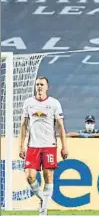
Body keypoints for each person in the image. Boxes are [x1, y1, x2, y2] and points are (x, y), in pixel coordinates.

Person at [19, 76, 68, 216]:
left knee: (48, 176)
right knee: (29, 176)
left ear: (47, 87)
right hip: (33, 145)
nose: (39, 87)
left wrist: (65, 146)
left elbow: (61, 127)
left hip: (49, 145)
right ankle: (43, 199)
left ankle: (43, 210)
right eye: (37, 84)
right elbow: (23, 126)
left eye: (42, 84)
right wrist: (21, 146)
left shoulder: (54, 103)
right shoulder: (28, 103)